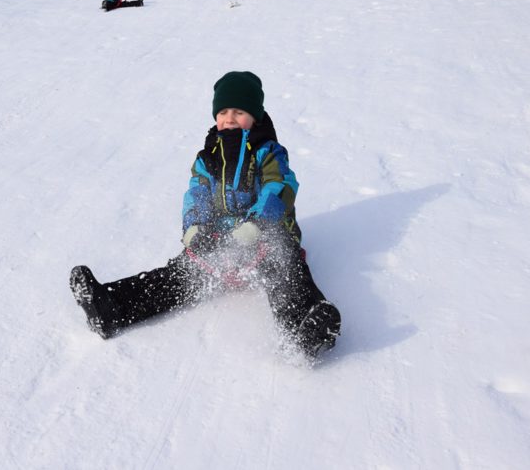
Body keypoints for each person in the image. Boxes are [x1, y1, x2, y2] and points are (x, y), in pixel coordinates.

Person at [70, 71, 341, 360]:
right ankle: (111, 307)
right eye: (223, 111)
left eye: (239, 111)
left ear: (255, 115)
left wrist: (258, 223)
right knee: (177, 277)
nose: (230, 118)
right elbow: (196, 194)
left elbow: (279, 187)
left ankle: (305, 328)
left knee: (286, 270)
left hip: (266, 236)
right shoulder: (207, 157)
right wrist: (194, 227)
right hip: (223, 241)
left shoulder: (269, 151)